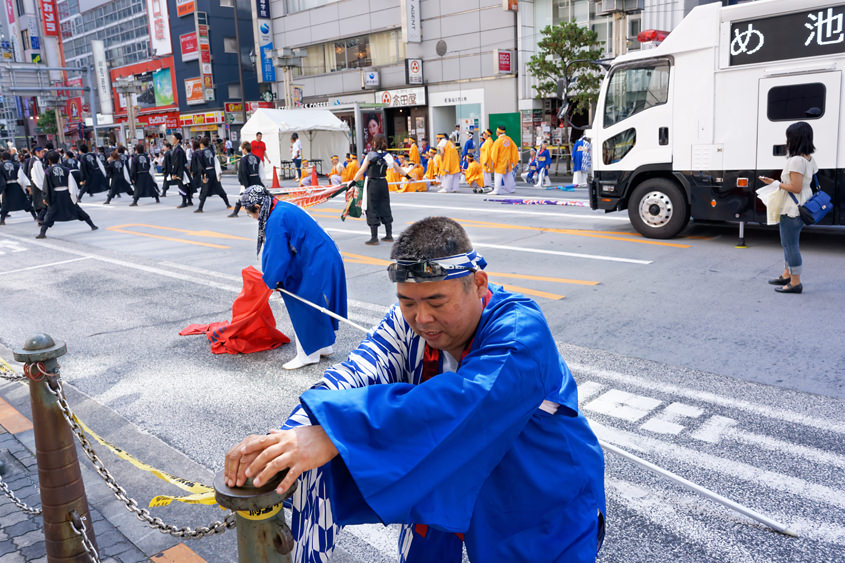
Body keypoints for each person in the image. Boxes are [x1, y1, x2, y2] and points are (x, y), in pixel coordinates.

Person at [223, 216, 606, 563]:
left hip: (538, 491)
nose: (422, 319)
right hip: (452, 469)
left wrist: (335, 436)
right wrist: (288, 437)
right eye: (407, 302)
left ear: (478, 283)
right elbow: (362, 369)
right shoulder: (406, 324)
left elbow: (465, 404)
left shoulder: (520, 331)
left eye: (437, 302)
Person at [239, 185, 347, 369]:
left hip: (316, 260)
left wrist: (272, 280)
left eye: (251, 214)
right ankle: (323, 346)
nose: (253, 218)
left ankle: (308, 355)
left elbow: (277, 255)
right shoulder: (282, 207)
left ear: (258, 207)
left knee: (301, 303)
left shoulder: (275, 219)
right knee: (316, 304)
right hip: (323, 256)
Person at [760, 121, 818, 294]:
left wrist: (775, 183)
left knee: (790, 245)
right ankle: (787, 274)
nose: (787, 141)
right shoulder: (809, 158)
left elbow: (796, 187)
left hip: (792, 208)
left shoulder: (795, 161)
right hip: (803, 205)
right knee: (788, 244)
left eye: (789, 137)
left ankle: (795, 282)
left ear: (795, 139)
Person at [350, 134, 410, 245]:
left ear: (374, 143)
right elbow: (398, 169)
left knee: (372, 208)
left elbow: (361, 171)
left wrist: (353, 182)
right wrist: (408, 177)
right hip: (383, 183)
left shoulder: (370, 155)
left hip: (372, 184)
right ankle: (389, 235)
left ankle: (374, 238)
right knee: (384, 206)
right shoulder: (388, 156)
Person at [36, 151, 98, 238]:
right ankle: (92, 225)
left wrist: (45, 197)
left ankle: (42, 233)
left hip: (55, 195)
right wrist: (73, 195)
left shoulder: (48, 171)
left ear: (49, 160)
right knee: (77, 210)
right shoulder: (66, 170)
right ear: (59, 160)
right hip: (66, 194)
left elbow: (46, 186)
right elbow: (71, 183)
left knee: (50, 213)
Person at [195, 137, 231, 213]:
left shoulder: (200, 153)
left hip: (207, 172)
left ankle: (200, 208)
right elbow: (216, 162)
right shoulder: (211, 151)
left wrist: (203, 174)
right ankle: (227, 204)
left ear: (201, 144)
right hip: (214, 172)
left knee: (205, 189)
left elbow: (201, 165)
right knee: (219, 188)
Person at [229, 142, 264, 218]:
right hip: (257, 179)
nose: (242, 151)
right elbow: (261, 170)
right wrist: (261, 180)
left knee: (243, 196)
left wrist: (243, 182)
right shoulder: (257, 158)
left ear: (244, 149)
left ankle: (236, 212)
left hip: (248, 181)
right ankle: (254, 211)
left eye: (242, 149)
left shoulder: (243, 159)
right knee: (258, 196)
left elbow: (242, 172)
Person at [0, 151, 35, 225]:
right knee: (25, 202)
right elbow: (21, 176)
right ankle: (35, 216)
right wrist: (28, 186)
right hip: (16, 186)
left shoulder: (1, 166)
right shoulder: (16, 165)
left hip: (7, 187)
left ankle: (2, 220)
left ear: (1, 158)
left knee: (5, 204)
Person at [490, 126, 519, 195]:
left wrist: (493, 162)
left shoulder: (498, 141)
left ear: (498, 132)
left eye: (496, 131)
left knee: (498, 176)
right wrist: (513, 160)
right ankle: (510, 189)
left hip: (500, 162)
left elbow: (494, 153)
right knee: (508, 176)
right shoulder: (509, 139)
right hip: (508, 161)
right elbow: (514, 149)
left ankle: (496, 190)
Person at [171, 133, 193, 208]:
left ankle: (184, 202)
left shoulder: (178, 150)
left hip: (180, 170)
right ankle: (189, 200)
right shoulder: (177, 148)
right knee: (186, 185)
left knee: (182, 185)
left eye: (173, 138)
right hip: (182, 169)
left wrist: (174, 173)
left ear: (177, 140)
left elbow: (177, 163)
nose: (172, 140)